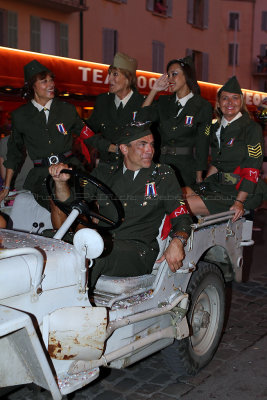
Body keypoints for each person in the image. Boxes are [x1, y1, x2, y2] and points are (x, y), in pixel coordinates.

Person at [49, 122, 193, 288]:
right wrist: (60, 183)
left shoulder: (163, 175)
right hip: (103, 241)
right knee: (49, 241)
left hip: (139, 251)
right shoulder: (106, 172)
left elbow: (181, 217)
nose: (150, 150)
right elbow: (71, 203)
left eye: (152, 144)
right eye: (142, 145)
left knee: (93, 253)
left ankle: (76, 306)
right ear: (124, 149)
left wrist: (178, 241)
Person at [0, 59, 93, 227]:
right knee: (56, 201)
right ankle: (68, 246)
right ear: (32, 86)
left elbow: (88, 135)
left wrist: (112, 147)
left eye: (51, 79)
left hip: (71, 168)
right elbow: (13, 153)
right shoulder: (20, 115)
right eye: (44, 81)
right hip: (41, 175)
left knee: (78, 206)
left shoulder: (67, 109)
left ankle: (77, 247)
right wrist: (6, 187)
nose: (51, 84)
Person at [183, 76, 267, 222]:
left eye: (235, 98)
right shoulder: (216, 128)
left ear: (241, 102)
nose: (230, 103)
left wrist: (239, 202)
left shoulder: (251, 128)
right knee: (179, 194)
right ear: (219, 102)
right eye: (225, 98)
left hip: (243, 190)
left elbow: (252, 168)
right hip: (220, 185)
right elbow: (216, 163)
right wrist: (204, 184)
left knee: (182, 205)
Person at [137, 56, 213, 187]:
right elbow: (140, 119)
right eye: (168, 75)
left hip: (185, 169)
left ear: (187, 76)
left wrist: (199, 176)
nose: (170, 79)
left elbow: (202, 143)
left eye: (174, 74)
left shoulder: (202, 106)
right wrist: (154, 90)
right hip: (160, 164)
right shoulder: (164, 102)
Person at [85, 52, 146, 170]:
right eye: (109, 74)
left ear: (128, 79)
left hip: (132, 170)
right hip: (106, 169)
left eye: (115, 74)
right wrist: (107, 146)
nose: (109, 79)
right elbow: (87, 131)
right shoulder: (103, 101)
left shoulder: (142, 103)